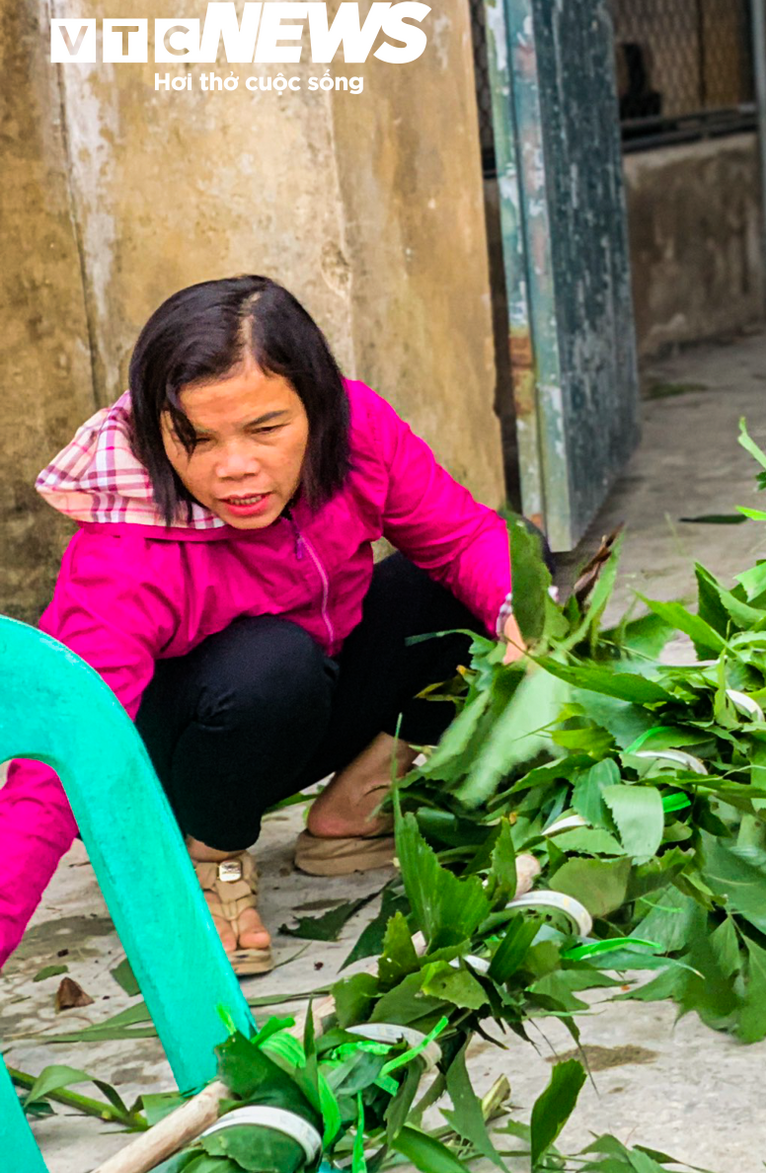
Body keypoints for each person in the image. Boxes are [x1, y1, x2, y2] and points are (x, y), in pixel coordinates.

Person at [0, 276, 524, 976]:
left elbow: (463, 539)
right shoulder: (126, 552)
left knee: (498, 577)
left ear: (317, 406)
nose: (234, 467)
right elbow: (64, 751)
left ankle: (350, 813)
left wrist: (520, 624)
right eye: (196, 438)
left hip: (306, 698)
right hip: (192, 748)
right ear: (157, 431)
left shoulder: (360, 434)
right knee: (274, 665)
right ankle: (210, 852)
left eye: (265, 428)